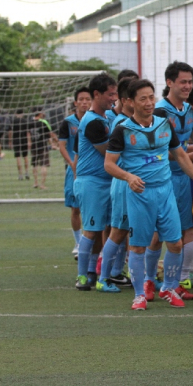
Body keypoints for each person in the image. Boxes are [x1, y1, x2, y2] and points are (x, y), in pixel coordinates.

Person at [104, 79, 193, 311]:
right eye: (143, 98)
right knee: (138, 246)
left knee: (175, 243)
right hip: (140, 194)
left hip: (165, 192)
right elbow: (109, 164)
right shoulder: (122, 129)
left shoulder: (165, 124)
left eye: (151, 97)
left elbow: (181, 156)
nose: (148, 102)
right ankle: (139, 296)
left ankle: (168, 287)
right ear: (130, 102)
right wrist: (128, 177)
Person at [145, 61, 193, 306]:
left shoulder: (188, 109)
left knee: (187, 230)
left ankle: (176, 281)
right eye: (183, 82)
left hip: (182, 177)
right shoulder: (159, 111)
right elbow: (154, 147)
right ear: (169, 83)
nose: (188, 86)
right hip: (162, 178)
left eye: (190, 81)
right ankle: (148, 280)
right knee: (159, 235)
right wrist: (185, 157)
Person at [73, 73, 118, 291]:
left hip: (107, 181)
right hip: (92, 182)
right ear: (97, 94)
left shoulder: (107, 117)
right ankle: (82, 276)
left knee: (104, 228)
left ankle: (93, 271)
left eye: (116, 93)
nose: (114, 98)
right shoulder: (91, 122)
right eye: (110, 94)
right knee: (91, 229)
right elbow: (109, 151)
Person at [96, 78, 137, 293]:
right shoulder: (121, 123)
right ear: (126, 100)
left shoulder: (134, 121)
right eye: (139, 98)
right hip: (123, 183)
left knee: (136, 231)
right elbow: (116, 159)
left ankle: (140, 277)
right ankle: (103, 277)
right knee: (119, 231)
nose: (146, 102)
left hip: (134, 183)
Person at [59, 87, 92, 259]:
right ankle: (78, 242)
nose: (85, 102)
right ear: (76, 102)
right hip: (74, 170)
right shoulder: (68, 122)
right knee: (75, 208)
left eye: (88, 99)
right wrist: (71, 163)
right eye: (82, 99)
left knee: (92, 207)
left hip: (91, 170)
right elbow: (62, 145)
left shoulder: (95, 120)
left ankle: (90, 241)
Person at [29, 111, 56, 190]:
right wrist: (53, 143)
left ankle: (35, 182)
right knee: (44, 165)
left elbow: (28, 133)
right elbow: (49, 134)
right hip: (43, 146)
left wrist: (29, 142)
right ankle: (42, 184)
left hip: (34, 146)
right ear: (39, 113)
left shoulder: (30, 123)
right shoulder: (44, 122)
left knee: (34, 165)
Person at [11, 109, 30, 181]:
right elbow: (28, 132)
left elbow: (11, 131)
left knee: (18, 156)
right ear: (23, 114)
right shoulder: (25, 121)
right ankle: (27, 172)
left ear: (16, 114)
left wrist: (10, 141)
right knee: (25, 156)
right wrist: (29, 141)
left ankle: (20, 174)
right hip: (24, 139)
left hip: (16, 140)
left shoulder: (14, 121)